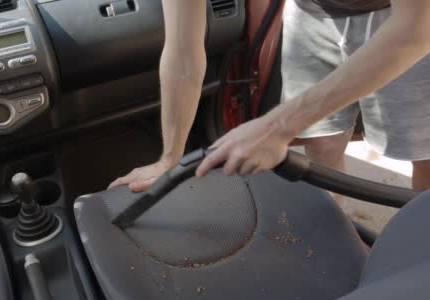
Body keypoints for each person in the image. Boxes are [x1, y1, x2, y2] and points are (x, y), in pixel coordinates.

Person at [109, 0, 430, 193]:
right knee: (320, 141)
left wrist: (276, 127)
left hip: (402, 18)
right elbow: (182, 51)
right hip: (310, 12)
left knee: (423, 151)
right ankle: (336, 227)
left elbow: (415, 30)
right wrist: (170, 158)